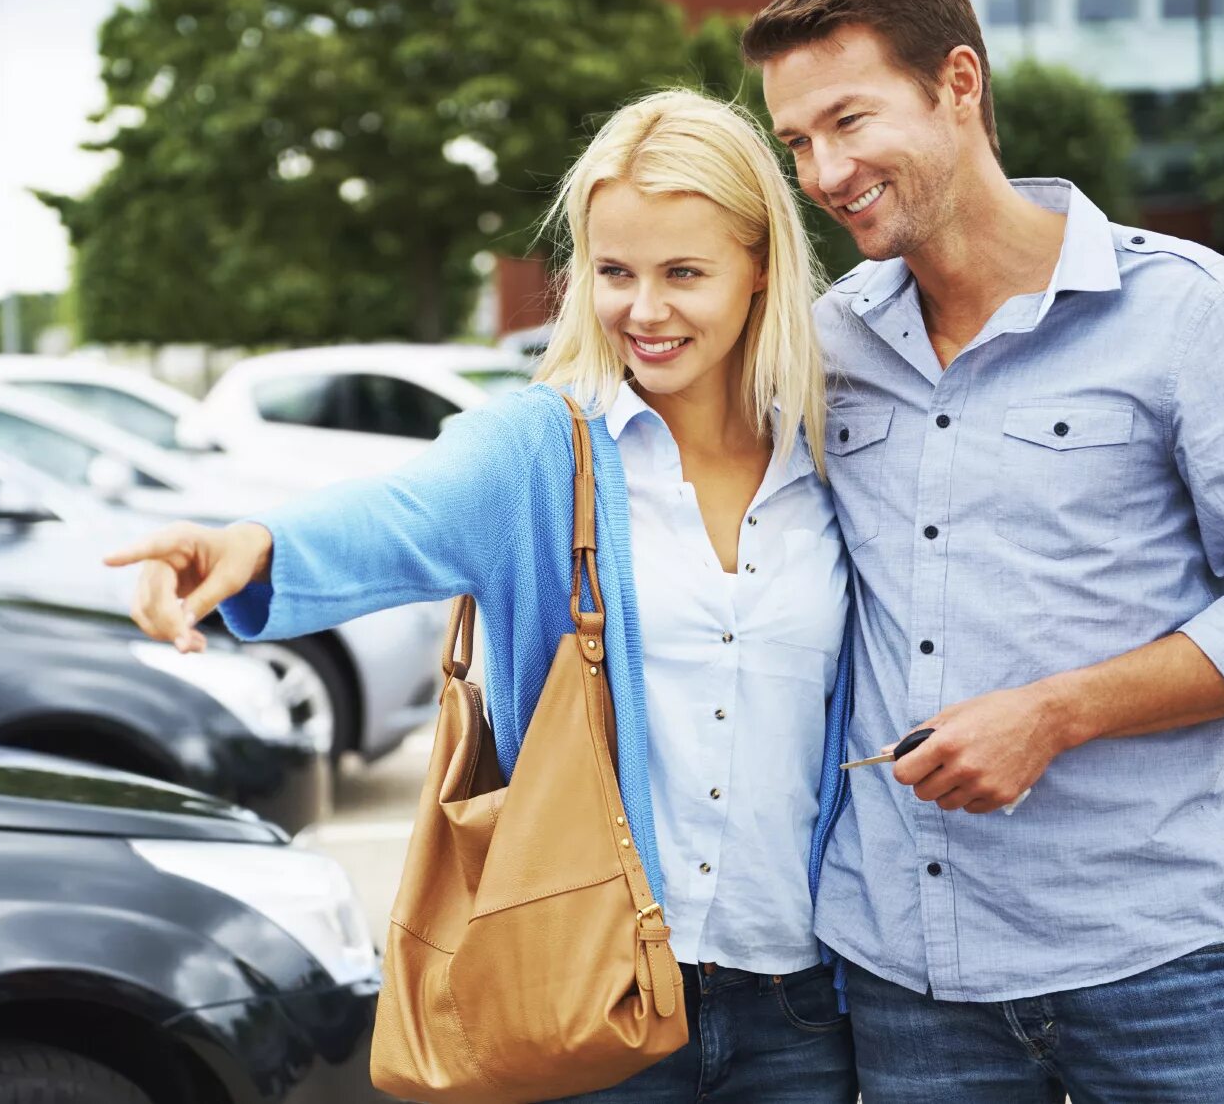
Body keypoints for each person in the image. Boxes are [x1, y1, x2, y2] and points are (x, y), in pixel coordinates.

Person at [106, 88, 861, 1102]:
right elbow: (400, 512)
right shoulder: (541, 449)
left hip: (800, 1004)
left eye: (684, 272)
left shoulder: (830, 458)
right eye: (615, 272)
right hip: (583, 985)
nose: (645, 309)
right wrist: (249, 547)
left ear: (760, 264)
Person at [741, 0, 1224, 1100]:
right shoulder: (822, 346)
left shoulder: (1197, 312)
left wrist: (1055, 712)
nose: (824, 175)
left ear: (959, 84)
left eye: (850, 120)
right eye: (796, 142)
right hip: (906, 977)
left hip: (1155, 963)